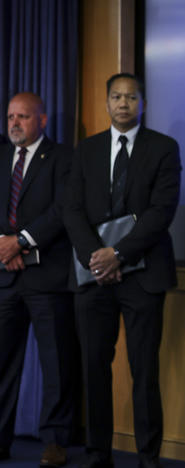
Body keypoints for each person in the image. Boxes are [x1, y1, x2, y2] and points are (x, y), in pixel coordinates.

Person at [63, 73, 181, 468]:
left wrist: (119, 254)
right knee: (94, 369)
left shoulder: (164, 148)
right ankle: (98, 454)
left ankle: (148, 457)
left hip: (144, 276)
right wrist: (97, 256)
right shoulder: (86, 150)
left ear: (142, 102)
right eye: (116, 96)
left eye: (131, 97)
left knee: (144, 370)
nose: (124, 103)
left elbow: (160, 212)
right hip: (92, 275)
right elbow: (72, 209)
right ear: (106, 101)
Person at [0, 92, 77, 467]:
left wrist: (22, 243)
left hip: (48, 277)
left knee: (56, 364)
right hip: (6, 276)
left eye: (24, 117)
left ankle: (55, 442)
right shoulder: (1, 156)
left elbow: (62, 210)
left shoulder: (63, 158)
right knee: (2, 362)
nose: (15, 123)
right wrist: (4, 246)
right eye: (11, 116)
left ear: (42, 121)